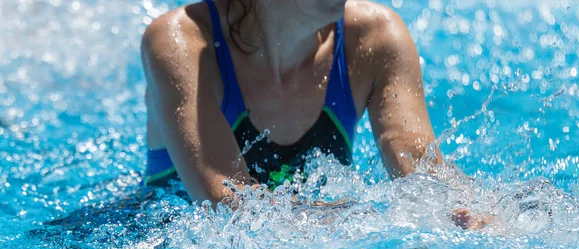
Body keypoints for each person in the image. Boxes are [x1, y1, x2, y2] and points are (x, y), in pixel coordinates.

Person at [141, 0, 488, 228]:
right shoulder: (182, 43)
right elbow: (230, 206)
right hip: (151, 241)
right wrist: (357, 219)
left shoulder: (375, 37)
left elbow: (423, 170)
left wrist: (469, 213)